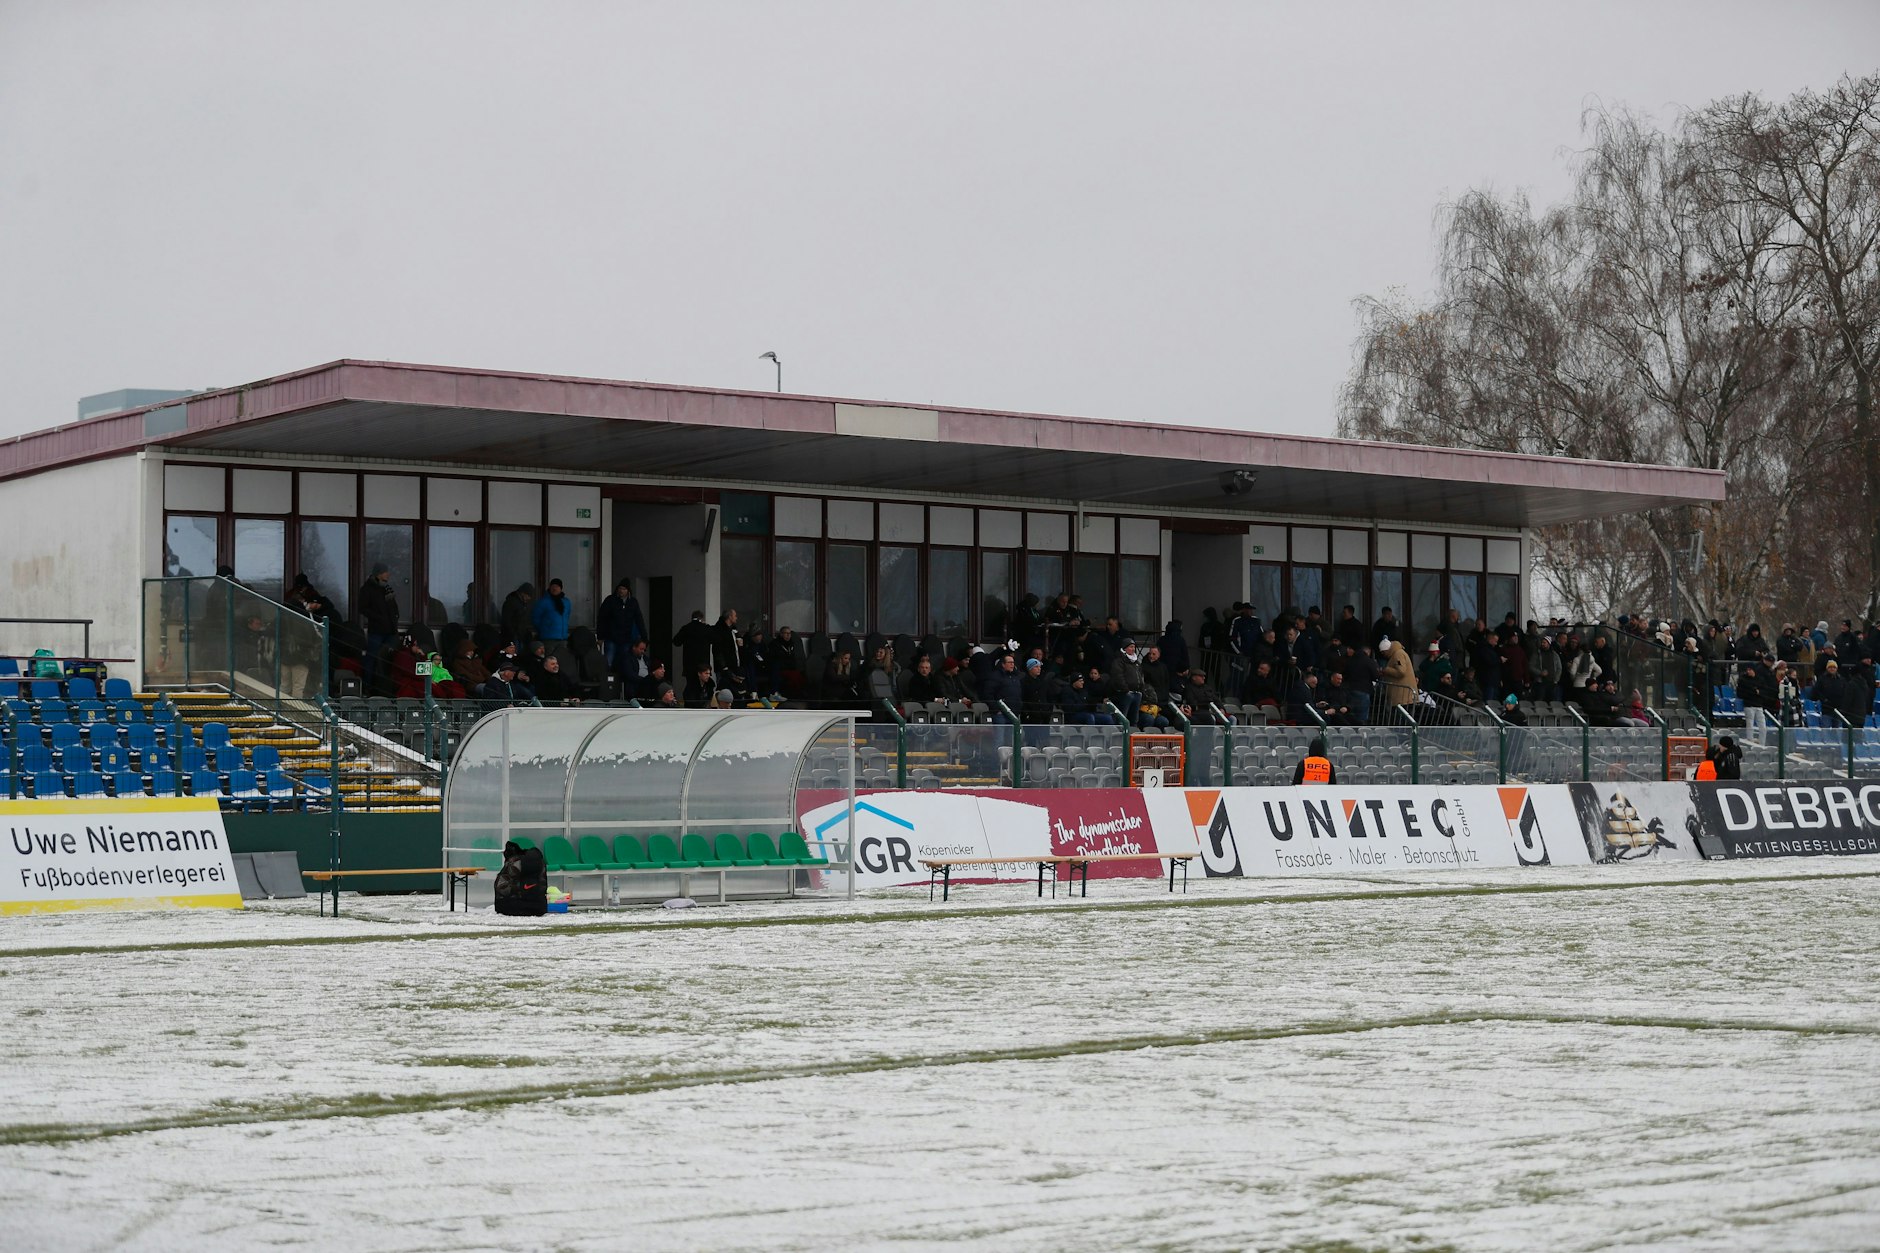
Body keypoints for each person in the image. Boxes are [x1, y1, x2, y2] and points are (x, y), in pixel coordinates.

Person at [358, 563, 399, 693]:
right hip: (376, 631)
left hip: (391, 631)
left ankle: (385, 687)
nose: (388, 574)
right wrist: (378, 617)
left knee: (389, 658)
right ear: (379, 573)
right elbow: (363, 608)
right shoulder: (367, 589)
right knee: (372, 658)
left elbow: (393, 606)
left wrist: (396, 617)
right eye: (386, 572)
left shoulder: (387, 588)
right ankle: (367, 687)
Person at [596, 579, 648, 673]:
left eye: (624, 589)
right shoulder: (610, 600)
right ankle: (608, 684)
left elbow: (639, 620)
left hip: (626, 639)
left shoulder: (633, 602)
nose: (621, 591)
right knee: (608, 663)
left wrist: (644, 638)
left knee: (624, 664)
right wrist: (600, 636)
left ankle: (621, 685)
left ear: (628, 590)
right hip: (611, 637)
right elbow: (601, 618)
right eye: (620, 588)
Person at [492, 840, 547, 917]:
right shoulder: (539, 863)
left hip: (510, 907)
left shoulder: (514, 864)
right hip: (539, 907)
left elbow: (501, 888)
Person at [1377, 638, 1417, 712]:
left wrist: (1386, 670)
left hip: (1403, 698)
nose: (1383, 655)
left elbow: (1401, 672)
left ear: (1386, 650)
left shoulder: (1398, 654)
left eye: (1383, 652)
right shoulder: (1397, 653)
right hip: (1403, 697)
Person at [531, 578, 572, 647]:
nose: (554, 588)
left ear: (561, 588)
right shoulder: (543, 602)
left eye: (557, 586)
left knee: (562, 657)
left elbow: (567, 616)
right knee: (550, 657)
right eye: (553, 586)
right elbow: (535, 617)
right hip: (548, 638)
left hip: (563, 638)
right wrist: (544, 629)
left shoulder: (566, 602)